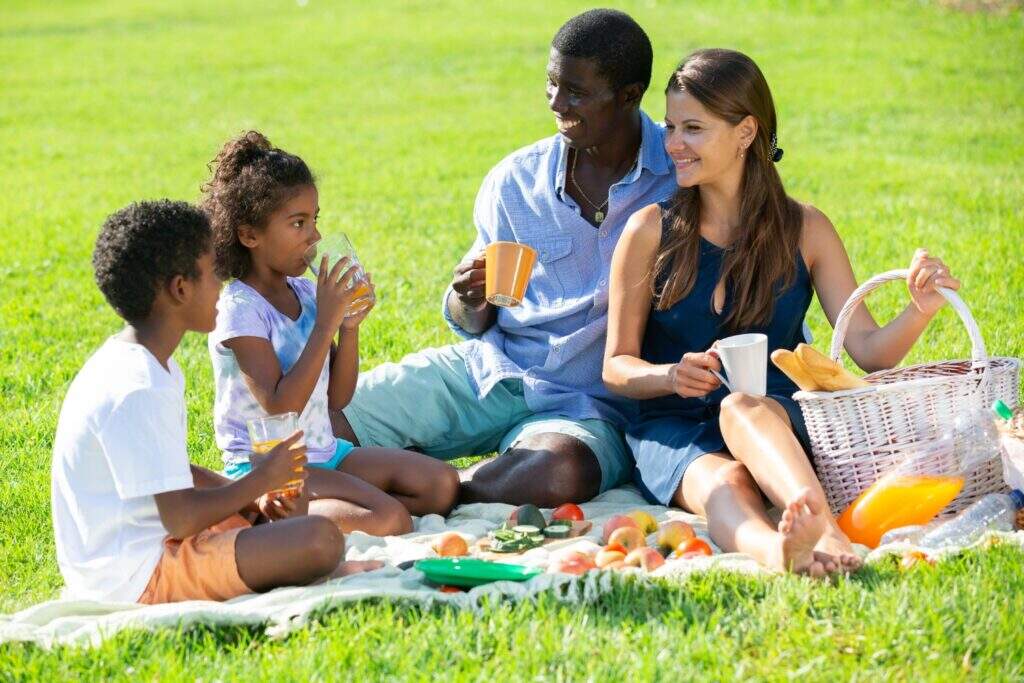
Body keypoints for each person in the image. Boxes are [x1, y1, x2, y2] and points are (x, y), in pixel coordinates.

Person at [603, 49, 961, 576]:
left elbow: (867, 352)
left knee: (741, 407)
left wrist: (920, 309)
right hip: (673, 423)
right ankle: (779, 554)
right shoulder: (649, 232)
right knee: (725, 484)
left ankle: (825, 530)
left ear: (746, 132)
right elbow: (616, 366)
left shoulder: (806, 229)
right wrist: (668, 375)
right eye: (670, 126)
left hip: (777, 417)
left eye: (693, 129)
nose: (673, 144)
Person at [333, 9, 678, 506]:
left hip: (589, 407)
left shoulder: (679, 176)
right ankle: (418, 476)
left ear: (629, 94)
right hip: (491, 370)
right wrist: (467, 298)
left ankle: (443, 489)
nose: (557, 103)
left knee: (556, 475)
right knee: (326, 416)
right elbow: (474, 321)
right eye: (552, 85)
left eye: (576, 92)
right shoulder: (516, 180)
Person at [51, 200, 379, 604]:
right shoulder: (138, 386)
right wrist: (261, 481)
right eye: (212, 274)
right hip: (137, 577)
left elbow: (172, 471)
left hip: (149, 543)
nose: (221, 286)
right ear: (180, 288)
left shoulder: (147, 362)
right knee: (319, 538)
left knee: (288, 520)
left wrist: (252, 498)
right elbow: (182, 517)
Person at [202, 131, 460, 536]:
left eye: (315, 219)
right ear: (249, 235)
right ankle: (262, 511)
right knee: (391, 518)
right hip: (269, 465)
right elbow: (279, 408)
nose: (315, 237)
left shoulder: (305, 292)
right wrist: (325, 324)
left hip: (325, 451)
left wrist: (348, 327)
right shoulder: (241, 310)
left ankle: (307, 511)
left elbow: (338, 399)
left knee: (442, 484)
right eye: (298, 223)